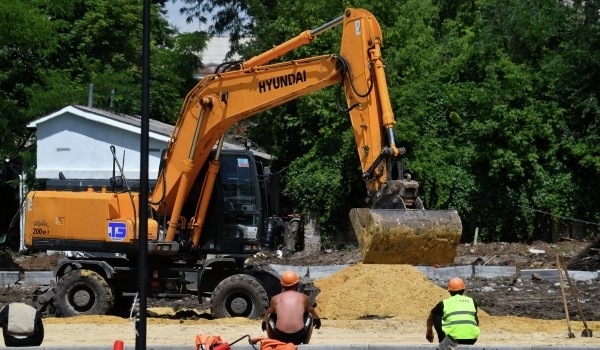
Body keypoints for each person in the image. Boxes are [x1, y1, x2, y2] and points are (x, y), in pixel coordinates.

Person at [261, 270, 321, 345]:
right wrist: (317, 319)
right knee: (309, 317)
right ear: (297, 284)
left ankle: (274, 344)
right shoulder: (304, 297)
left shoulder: (275, 299)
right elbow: (311, 310)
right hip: (299, 336)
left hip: (280, 336)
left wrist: (264, 322)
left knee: (270, 318)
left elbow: (269, 311)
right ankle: (306, 344)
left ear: (282, 285)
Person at [426, 277, 479, 350]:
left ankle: (443, 344)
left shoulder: (444, 303)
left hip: (452, 340)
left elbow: (430, 318)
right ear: (463, 290)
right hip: (472, 338)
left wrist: (429, 331)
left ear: (450, 291)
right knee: (472, 316)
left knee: (435, 314)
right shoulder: (472, 302)